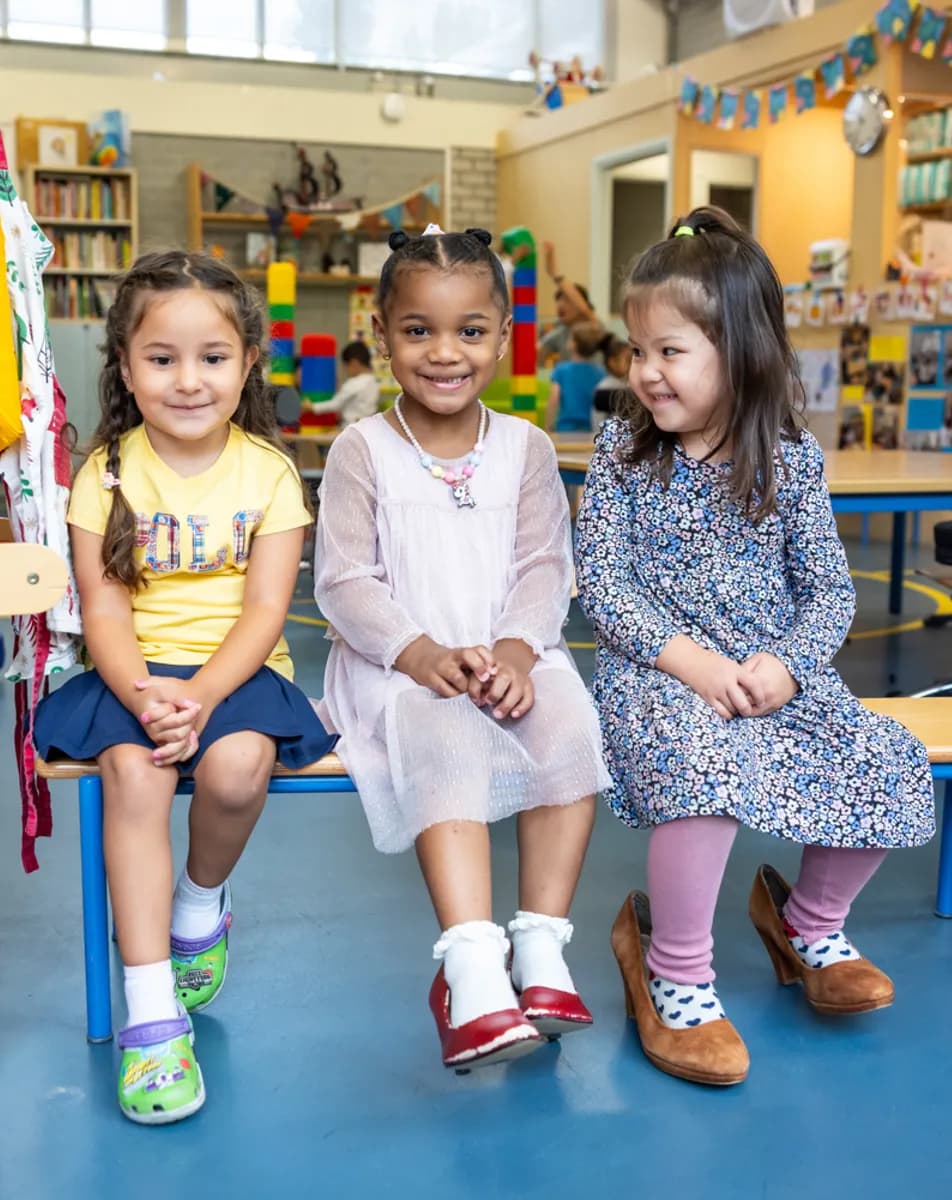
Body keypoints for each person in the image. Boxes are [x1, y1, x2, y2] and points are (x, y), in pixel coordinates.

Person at [575, 207, 935, 1088]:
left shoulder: (789, 457)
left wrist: (788, 664)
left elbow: (828, 591)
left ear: (739, 351)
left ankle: (807, 919)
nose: (645, 371)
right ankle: (678, 972)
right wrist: (692, 663)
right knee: (702, 768)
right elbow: (603, 588)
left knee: (883, 755)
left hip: (769, 671)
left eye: (670, 351)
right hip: (655, 669)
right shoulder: (622, 448)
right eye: (637, 348)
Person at [34, 250, 336, 1124]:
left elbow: (268, 611)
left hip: (234, 675)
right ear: (126, 367)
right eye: (161, 358)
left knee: (239, 771)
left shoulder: (271, 475)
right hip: (132, 675)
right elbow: (103, 607)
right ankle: (153, 1014)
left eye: (212, 357)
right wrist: (143, 695)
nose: (188, 379)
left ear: (247, 363)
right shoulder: (108, 473)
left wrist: (200, 694)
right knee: (135, 775)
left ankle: (200, 903)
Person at [314, 225, 610, 1073]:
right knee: (443, 729)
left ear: (504, 334)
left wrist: (517, 653)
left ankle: (543, 953)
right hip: (399, 668)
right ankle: (471, 968)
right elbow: (343, 581)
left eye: (470, 331)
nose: (445, 353)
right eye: (419, 331)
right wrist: (418, 652)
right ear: (383, 335)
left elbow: (547, 563)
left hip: (514, 653)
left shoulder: (526, 446)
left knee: (568, 725)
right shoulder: (361, 449)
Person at [537, 240, 598, 364]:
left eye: (567, 300)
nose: (560, 305)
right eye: (558, 300)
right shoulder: (559, 333)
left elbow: (584, 310)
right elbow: (534, 356)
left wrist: (555, 274)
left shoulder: (592, 326)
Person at [545, 321, 606, 433]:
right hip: (592, 429)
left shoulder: (561, 370)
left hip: (565, 428)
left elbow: (554, 398)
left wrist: (548, 426)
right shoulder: (600, 373)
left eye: (571, 338)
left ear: (574, 344)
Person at [305, 339, 380, 427]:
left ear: (354, 363)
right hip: (367, 426)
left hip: (351, 427)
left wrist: (312, 407)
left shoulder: (355, 383)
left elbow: (335, 404)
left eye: (346, 366)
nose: (346, 371)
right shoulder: (373, 382)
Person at [593, 335, 632, 417]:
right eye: (628, 360)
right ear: (612, 362)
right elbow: (598, 416)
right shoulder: (605, 387)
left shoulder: (630, 383)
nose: (632, 363)